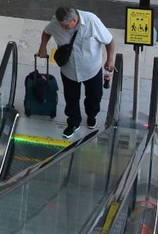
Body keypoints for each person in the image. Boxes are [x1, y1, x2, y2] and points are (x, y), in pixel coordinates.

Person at [38, 7, 115, 139]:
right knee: (71, 98)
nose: (62, 27)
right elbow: (47, 31)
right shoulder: (56, 22)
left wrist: (110, 60)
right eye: (61, 24)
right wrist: (42, 46)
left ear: (74, 20)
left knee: (94, 96)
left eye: (66, 25)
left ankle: (92, 115)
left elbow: (109, 41)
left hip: (92, 70)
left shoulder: (91, 21)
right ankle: (73, 122)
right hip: (69, 70)